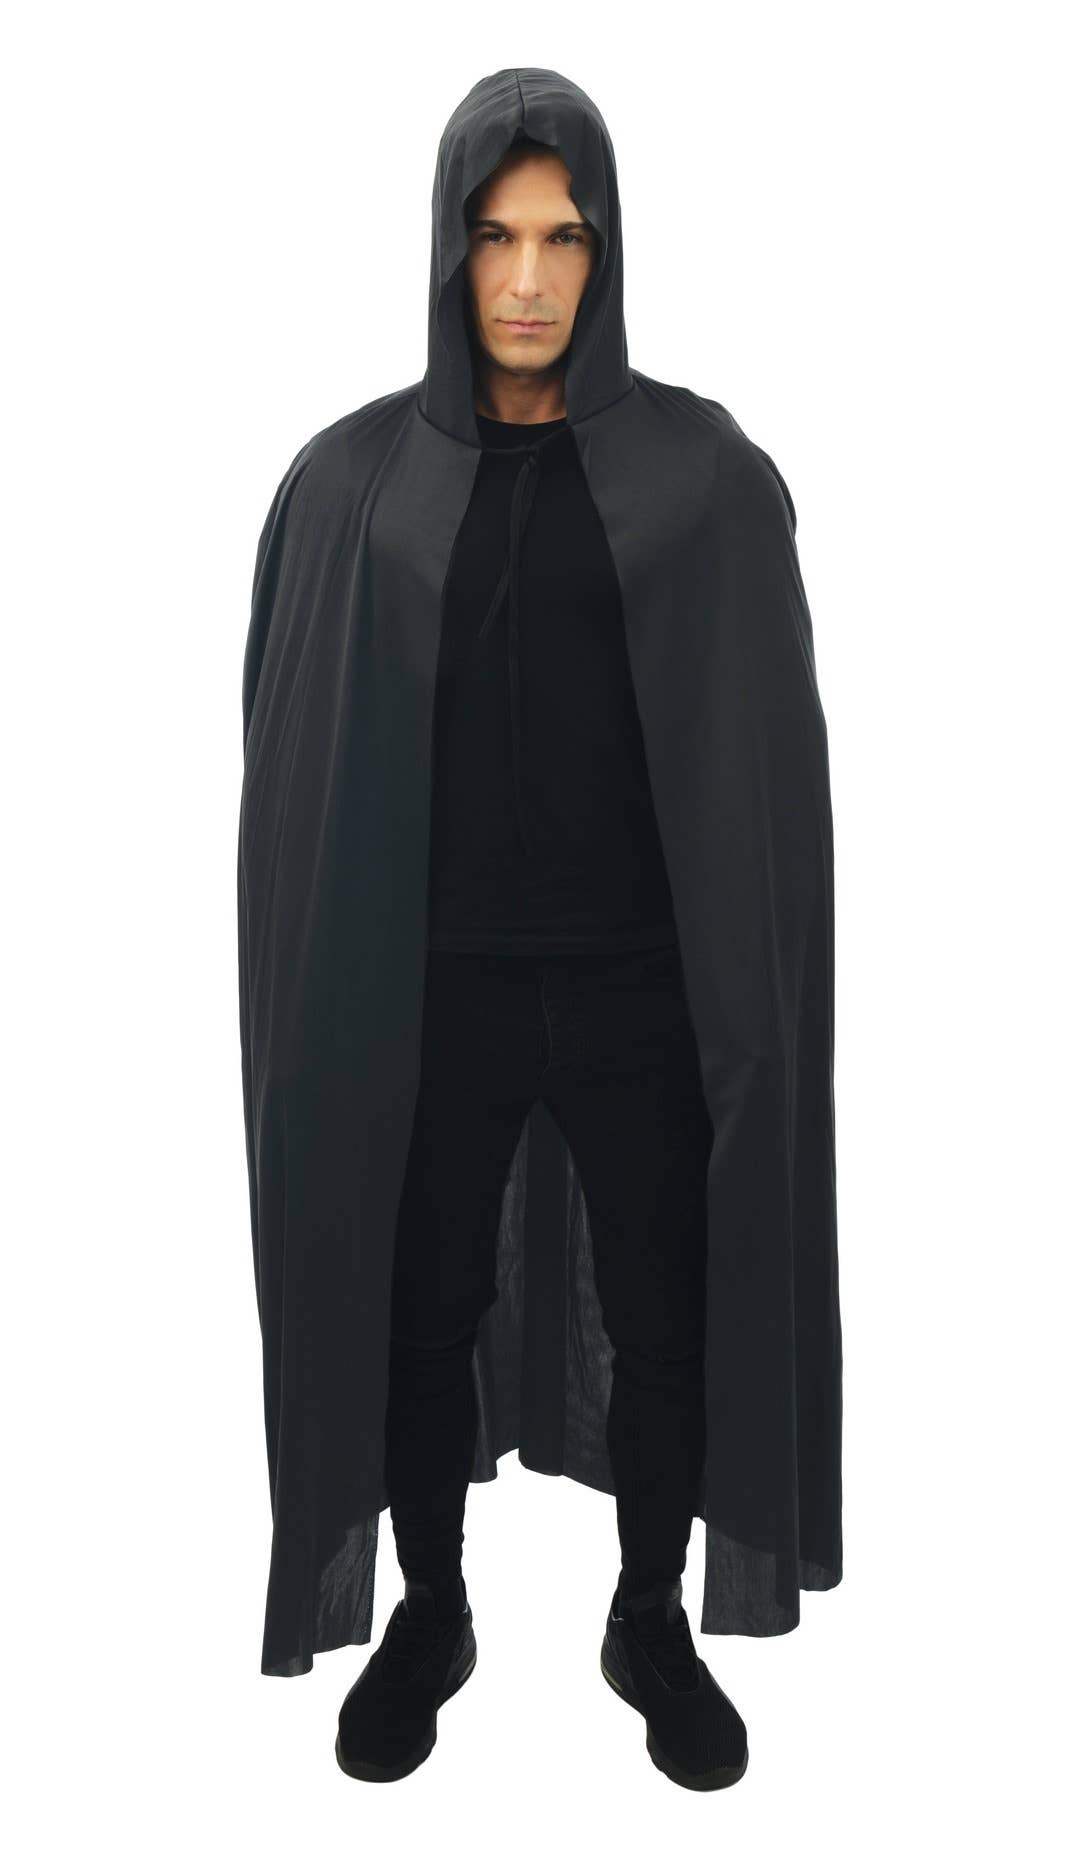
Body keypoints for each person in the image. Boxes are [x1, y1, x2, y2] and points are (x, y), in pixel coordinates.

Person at [239, 69, 842, 1797]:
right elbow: (293, 775)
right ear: (448, 248)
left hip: (644, 986)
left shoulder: (704, 477)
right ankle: (432, 1612)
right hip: (432, 993)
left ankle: (647, 1618)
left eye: (562, 238)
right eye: (494, 236)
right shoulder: (353, 486)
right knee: (417, 1313)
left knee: (668, 1315)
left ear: (607, 249)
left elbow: (766, 774)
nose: (525, 279)